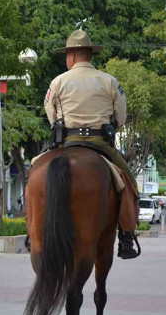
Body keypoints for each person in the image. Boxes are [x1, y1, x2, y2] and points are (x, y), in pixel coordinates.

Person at [44, 29, 139, 260]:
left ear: (73, 55)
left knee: (35, 172)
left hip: (66, 142)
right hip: (101, 144)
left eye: (67, 55)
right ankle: (126, 236)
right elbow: (121, 117)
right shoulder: (110, 81)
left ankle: (33, 230)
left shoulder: (58, 81)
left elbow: (50, 113)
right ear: (89, 54)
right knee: (128, 184)